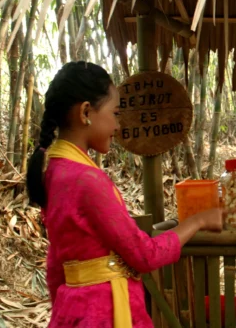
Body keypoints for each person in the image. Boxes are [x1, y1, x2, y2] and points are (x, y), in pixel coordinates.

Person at [26, 62, 223, 327]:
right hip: (104, 312)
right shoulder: (87, 179)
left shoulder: (53, 173)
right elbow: (144, 255)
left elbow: (55, 265)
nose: (118, 125)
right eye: (116, 113)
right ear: (86, 112)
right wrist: (198, 221)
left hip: (73, 310)